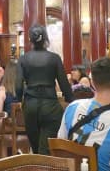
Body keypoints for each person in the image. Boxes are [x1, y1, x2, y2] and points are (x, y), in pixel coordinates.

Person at [16, 25, 74, 154]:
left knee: (36, 148)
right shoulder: (54, 58)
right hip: (50, 106)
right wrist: (71, 100)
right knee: (47, 148)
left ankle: (36, 169)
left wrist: (19, 100)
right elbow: (64, 84)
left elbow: (18, 86)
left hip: (30, 106)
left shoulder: (23, 59)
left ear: (30, 40)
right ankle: (45, 170)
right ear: (45, 39)